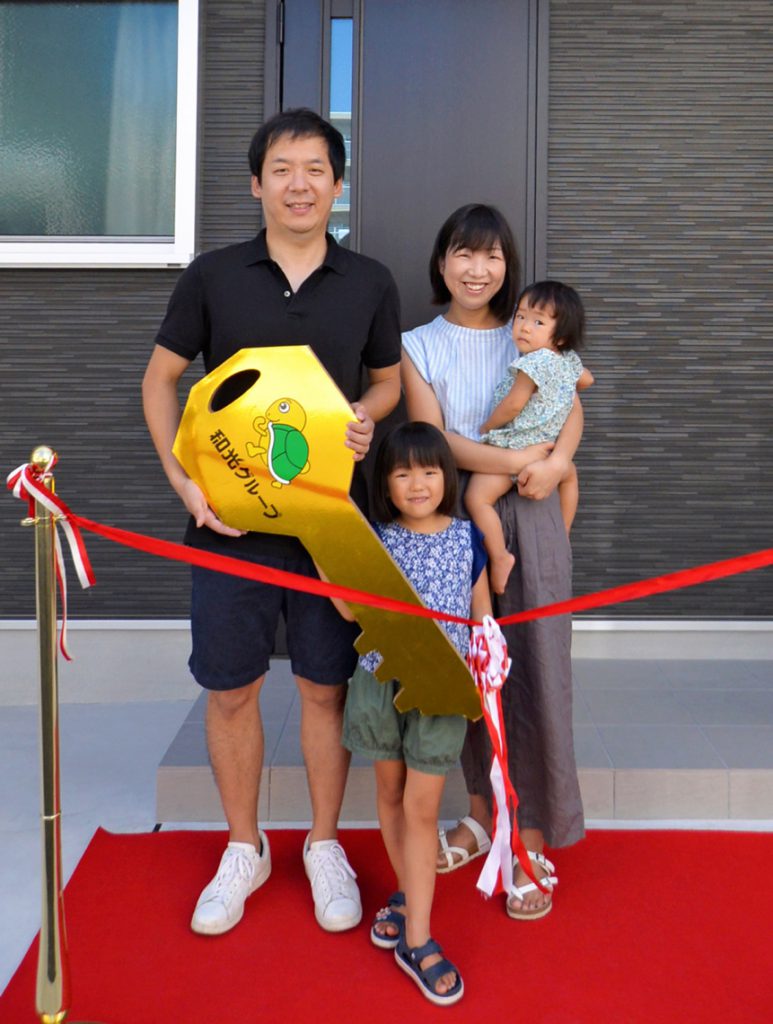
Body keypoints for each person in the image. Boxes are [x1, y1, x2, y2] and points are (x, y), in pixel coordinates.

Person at [142, 108, 401, 936]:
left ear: (337, 184)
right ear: (256, 183)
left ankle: (323, 843)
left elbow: (388, 381)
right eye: (282, 169)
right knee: (231, 689)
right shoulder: (213, 276)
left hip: (329, 523)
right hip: (229, 525)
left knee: (325, 686)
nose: (299, 184)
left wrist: (364, 414)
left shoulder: (369, 281)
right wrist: (182, 480)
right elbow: (159, 380)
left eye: (315, 169)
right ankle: (244, 847)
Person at [401, 203, 585, 920]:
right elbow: (432, 438)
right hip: (456, 517)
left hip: (532, 509)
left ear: (508, 265)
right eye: (464, 253)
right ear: (442, 261)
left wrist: (558, 462)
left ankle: (529, 833)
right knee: (472, 667)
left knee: (537, 667)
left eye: (493, 256)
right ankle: (483, 813)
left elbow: (569, 403)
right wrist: (518, 459)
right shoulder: (418, 344)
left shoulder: (534, 333)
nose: (477, 269)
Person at [328, 421, 490, 1006]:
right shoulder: (377, 540)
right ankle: (405, 893)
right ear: (386, 484)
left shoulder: (468, 538)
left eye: (428, 470)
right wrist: (327, 548)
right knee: (391, 795)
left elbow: (482, 616)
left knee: (421, 809)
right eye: (402, 473)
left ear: (446, 477)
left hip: (440, 693)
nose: (417, 483)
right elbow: (349, 612)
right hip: (379, 684)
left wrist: (486, 672)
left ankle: (416, 939)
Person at [466, 279, 594, 594]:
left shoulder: (532, 363)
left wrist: (487, 426)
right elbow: (587, 380)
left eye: (538, 322)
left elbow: (513, 405)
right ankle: (563, 532)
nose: (524, 327)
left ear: (560, 335)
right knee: (569, 477)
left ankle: (499, 556)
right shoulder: (568, 360)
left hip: (516, 446)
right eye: (521, 316)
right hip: (548, 450)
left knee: (477, 498)